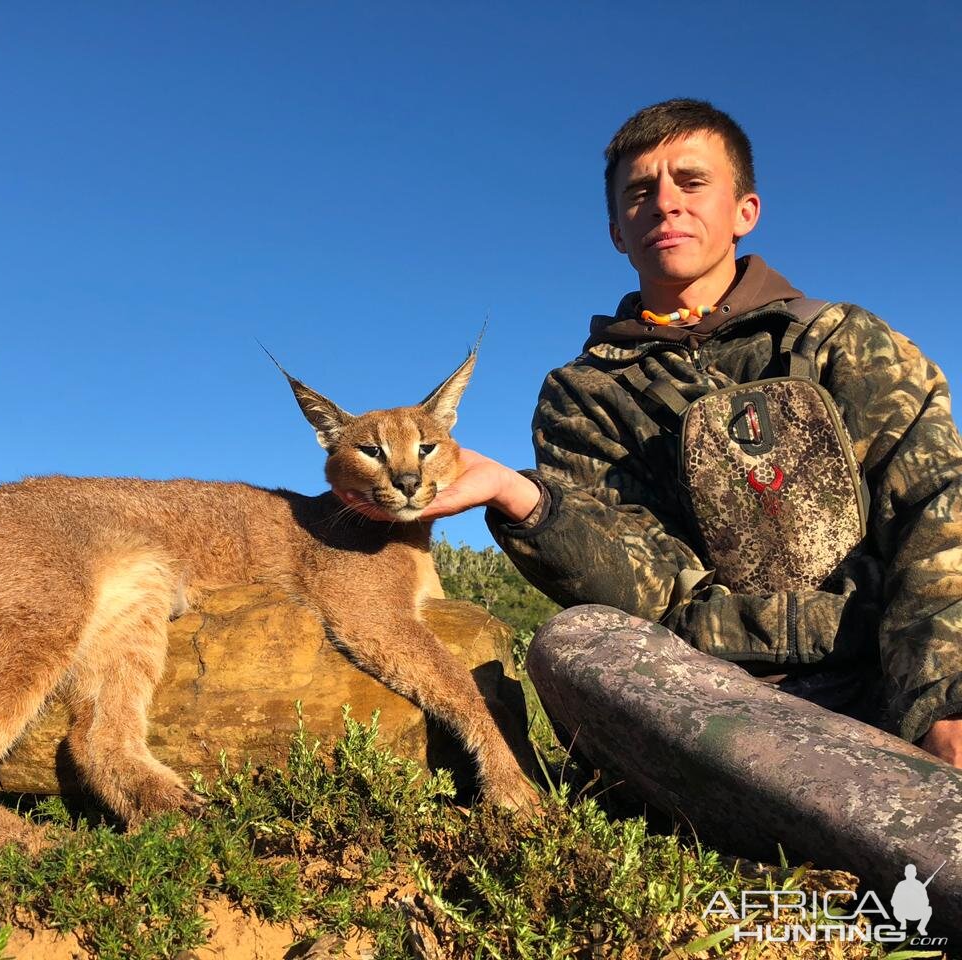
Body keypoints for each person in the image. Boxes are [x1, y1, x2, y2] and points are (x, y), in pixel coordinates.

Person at [335, 98, 962, 768]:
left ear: (744, 211)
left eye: (692, 183)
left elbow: (938, 515)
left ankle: (843, 786)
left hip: (889, 674)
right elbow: (654, 592)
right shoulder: (582, 395)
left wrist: (943, 703)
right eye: (640, 192)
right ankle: (850, 790)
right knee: (571, 645)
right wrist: (525, 501)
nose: (665, 204)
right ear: (616, 229)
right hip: (716, 695)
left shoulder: (843, 340)